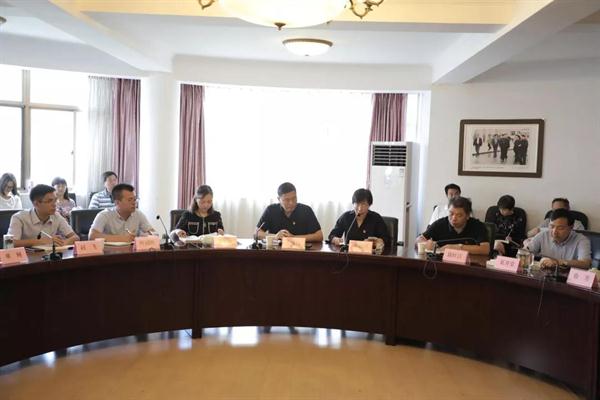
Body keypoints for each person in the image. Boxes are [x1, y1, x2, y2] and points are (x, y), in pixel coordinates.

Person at [7, 184, 80, 248]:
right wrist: (41, 241)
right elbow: (10, 243)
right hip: (26, 257)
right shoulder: (19, 217)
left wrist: (63, 243)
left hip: (49, 256)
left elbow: (75, 237)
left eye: (55, 200)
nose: (54, 204)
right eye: (49, 201)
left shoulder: (56, 216)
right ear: (36, 204)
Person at [416, 196, 490, 256]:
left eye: (459, 215)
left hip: (469, 265)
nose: (454, 218)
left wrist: (455, 248)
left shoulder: (477, 225)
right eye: (451, 213)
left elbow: (485, 249)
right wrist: (426, 244)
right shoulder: (440, 224)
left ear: (467, 216)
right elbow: (419, 239)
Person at [256, 182, 323, 242]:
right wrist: (275, 236)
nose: (291, 203)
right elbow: (257, 233)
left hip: (300, 250)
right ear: (279, 199)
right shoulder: (271, 210)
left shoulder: (306, 210)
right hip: (276, 250)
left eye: (294, 198)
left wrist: (293, 238)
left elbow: (319, 236)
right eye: (287, 200)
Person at [526, 208, 591, 270]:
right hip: (544, 274)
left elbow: (585, 264)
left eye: (560, 228)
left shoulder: (581, 240)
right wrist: (525, 250)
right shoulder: (543, 235)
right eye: (552, 226)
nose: (554, 232)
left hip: (567, 276)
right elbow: (526, 251)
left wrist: (558, 262)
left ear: (571, 228)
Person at [89, 183, 155, 242]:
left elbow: (152, 232)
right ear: (117, 202)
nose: (134, 203)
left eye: (135, 199)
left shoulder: (138, 214)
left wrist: (147, 236)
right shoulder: (104, 215)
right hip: (110, 251)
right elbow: (92, 236)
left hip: (132, 251)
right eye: (130, 200)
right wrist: (122, 238)